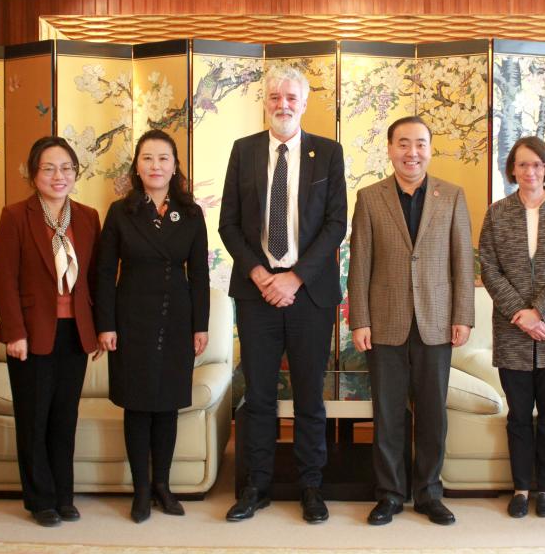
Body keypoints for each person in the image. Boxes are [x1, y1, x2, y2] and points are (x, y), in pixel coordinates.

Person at [219, 65, 347, 523]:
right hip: (257, 294)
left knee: (310, 395)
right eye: (275, 97)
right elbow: (228, 223)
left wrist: (295, 278)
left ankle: (312, 486)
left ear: (305, 103)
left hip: (309, 294)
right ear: (265, 102)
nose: (283, 104)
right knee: (258, 397)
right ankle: (256, 485)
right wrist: (259, 274)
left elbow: (336, 224)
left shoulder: (327, 153)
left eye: (291, 97)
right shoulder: (244, 150)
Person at [348, 116, 474, 526]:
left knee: (433, 414)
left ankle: (429, 493)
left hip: (436, 320)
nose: (412, 152)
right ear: (389, 149)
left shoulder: (451, 196)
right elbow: (359, 264)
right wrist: (359, 319)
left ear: (430, 149)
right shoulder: (370, 198)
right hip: (384, 322)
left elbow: (462, 261)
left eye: (420, 143)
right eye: (403, 143)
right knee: (388, 414)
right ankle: (389, 494)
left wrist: (463, 315)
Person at [96, 130, 210, 523]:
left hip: (176, 318)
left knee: (167, 407)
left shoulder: (191, 213)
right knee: (138, 406)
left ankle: (162, 485)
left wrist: (200, 325)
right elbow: (104, 273)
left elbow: (199, 274)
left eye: (163, 158)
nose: (155, 166)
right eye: (147, 158)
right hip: (131, 319)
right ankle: (141, 490)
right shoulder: (120, 212)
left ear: (175, 166)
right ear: (137, 166)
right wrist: (106, 325)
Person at [0, 136, 101, 527]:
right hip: (32, 332)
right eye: (49, 168)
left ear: (76, 173)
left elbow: (94, 278)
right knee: (34, 419)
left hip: (75, 332)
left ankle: (63, 497)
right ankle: (40, 500)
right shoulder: (15, 216)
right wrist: (15, 332)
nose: (59, 176)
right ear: (33, 173)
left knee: (64, 418)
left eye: (66, 168)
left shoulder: (88, 217)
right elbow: (4, 279)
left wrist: (97, 328)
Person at [478, 136, 545, 519]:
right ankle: (521, 488)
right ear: (513, 169)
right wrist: (520, 314)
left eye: (537, 164)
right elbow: (489, 268)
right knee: (519, 416)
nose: (530, 171)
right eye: (522, 164)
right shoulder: (497, 213)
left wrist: (538, 312)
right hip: (512, 332)